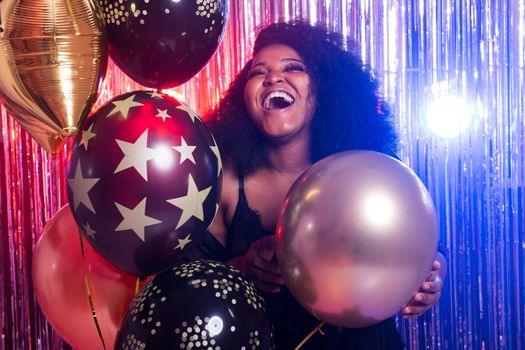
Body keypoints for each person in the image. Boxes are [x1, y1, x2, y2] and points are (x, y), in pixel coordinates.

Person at [187, 21, 445, 349]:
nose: (273, 78)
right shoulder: (224, 181)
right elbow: (190, 283)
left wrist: (432, 278)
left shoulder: (367, 169)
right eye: (257, 72)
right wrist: (241, 269)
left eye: (293, 68)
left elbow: (431, 246)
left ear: (323, 91)